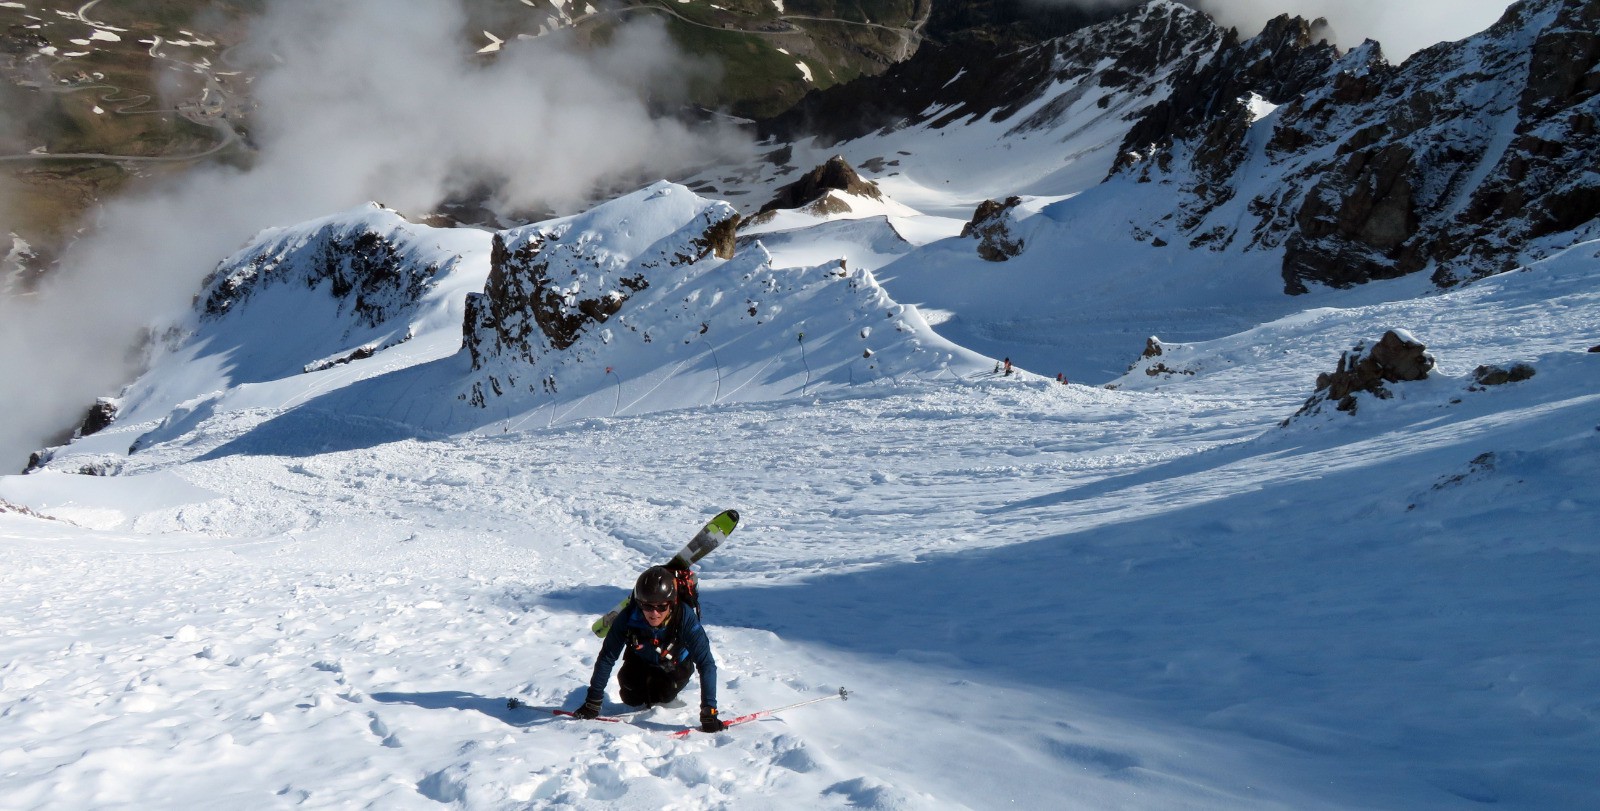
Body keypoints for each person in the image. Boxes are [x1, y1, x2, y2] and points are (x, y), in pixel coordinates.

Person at [571, 566, 725, 732]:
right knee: (630, 697)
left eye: (661, 607)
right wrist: (593, 700)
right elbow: (607, 656)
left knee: (663, 696)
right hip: (640, 658)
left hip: (675, 665)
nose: (654, 613)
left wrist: (709, 709)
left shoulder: (685, 617)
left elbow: (706, 663)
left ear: (671, 604)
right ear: (639, 603)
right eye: (647, 606)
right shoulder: (627, 617)